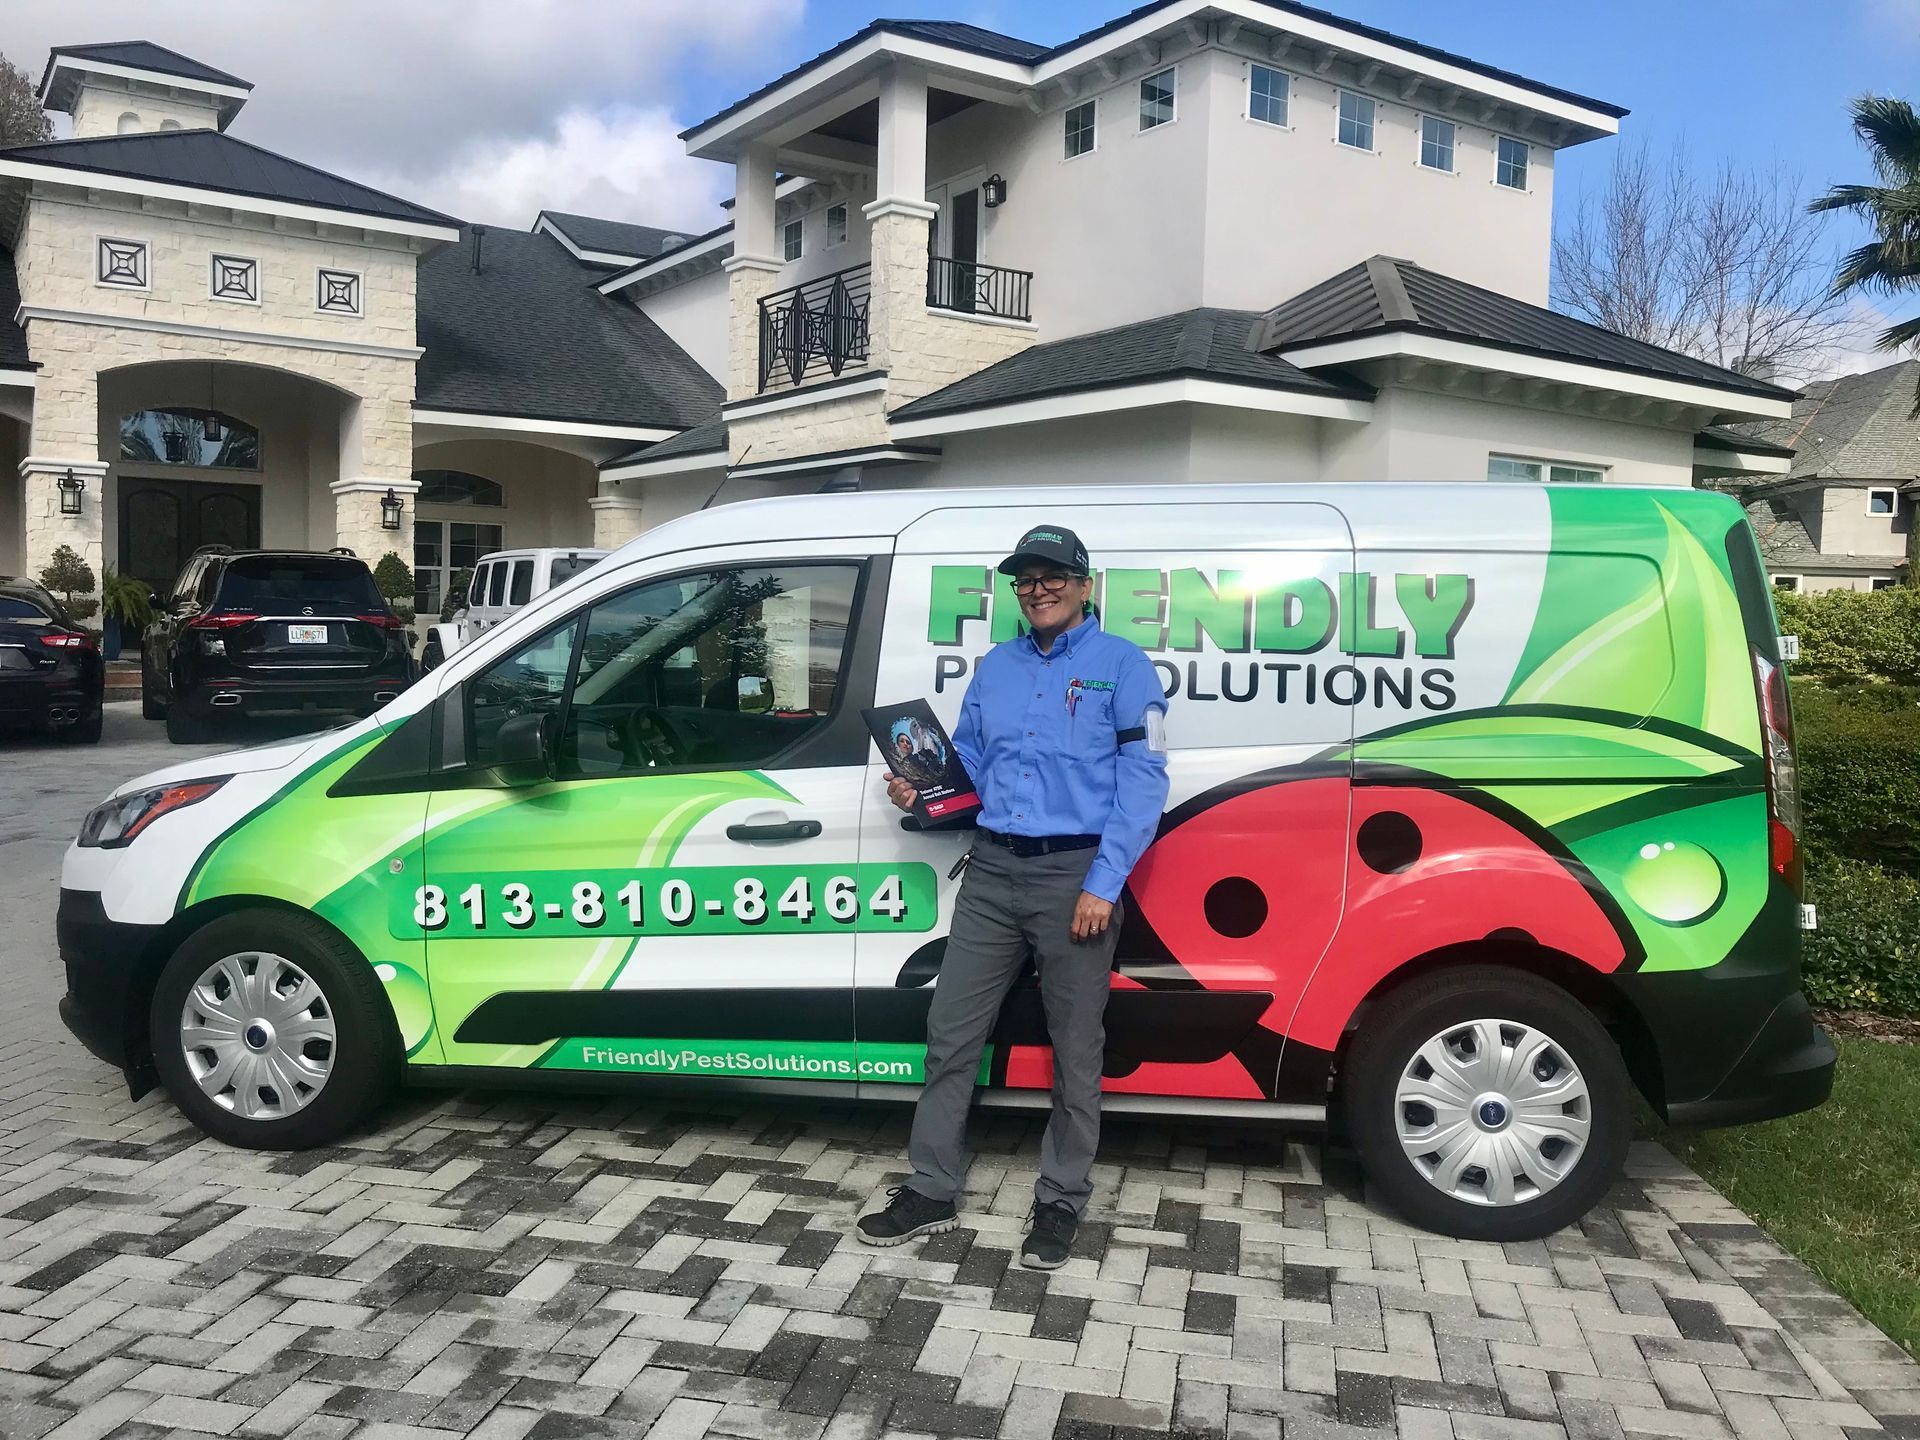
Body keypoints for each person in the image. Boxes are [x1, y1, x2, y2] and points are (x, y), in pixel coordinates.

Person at [855, 524, 1170, 1268]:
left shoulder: (1124, 668)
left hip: (1075, 878)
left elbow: (1145, 783)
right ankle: (932, 1186)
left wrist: (1104, 882)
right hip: (992, 872)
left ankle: (1060, 1200)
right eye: (1026, 579)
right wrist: (920, 788)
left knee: (1075, 1048)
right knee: (950, 1032)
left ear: (1085, 585)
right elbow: (964, 767)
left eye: (1053, 575)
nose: (1039, 588)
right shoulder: (995, 667)